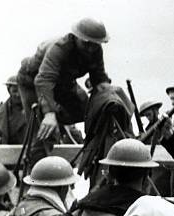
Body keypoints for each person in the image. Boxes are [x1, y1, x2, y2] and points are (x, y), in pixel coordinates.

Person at [17, 17, 111, 165]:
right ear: (76, 37)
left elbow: (99, 78)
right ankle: (37, 169)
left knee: (86, 109)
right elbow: (43, 80)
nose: (90, 49)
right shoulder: (59, 48)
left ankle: (60, 128)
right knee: (42, 131)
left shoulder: (95, 50)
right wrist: (49, 113)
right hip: (33, 81)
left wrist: (107, 95)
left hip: (63, 82)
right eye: (87, 44)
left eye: (95, 45)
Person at [0, 76, 27, 144]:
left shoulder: (34, 110)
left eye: (20, 91)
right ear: (9, 91)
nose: (18, 95)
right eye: (14, 91)